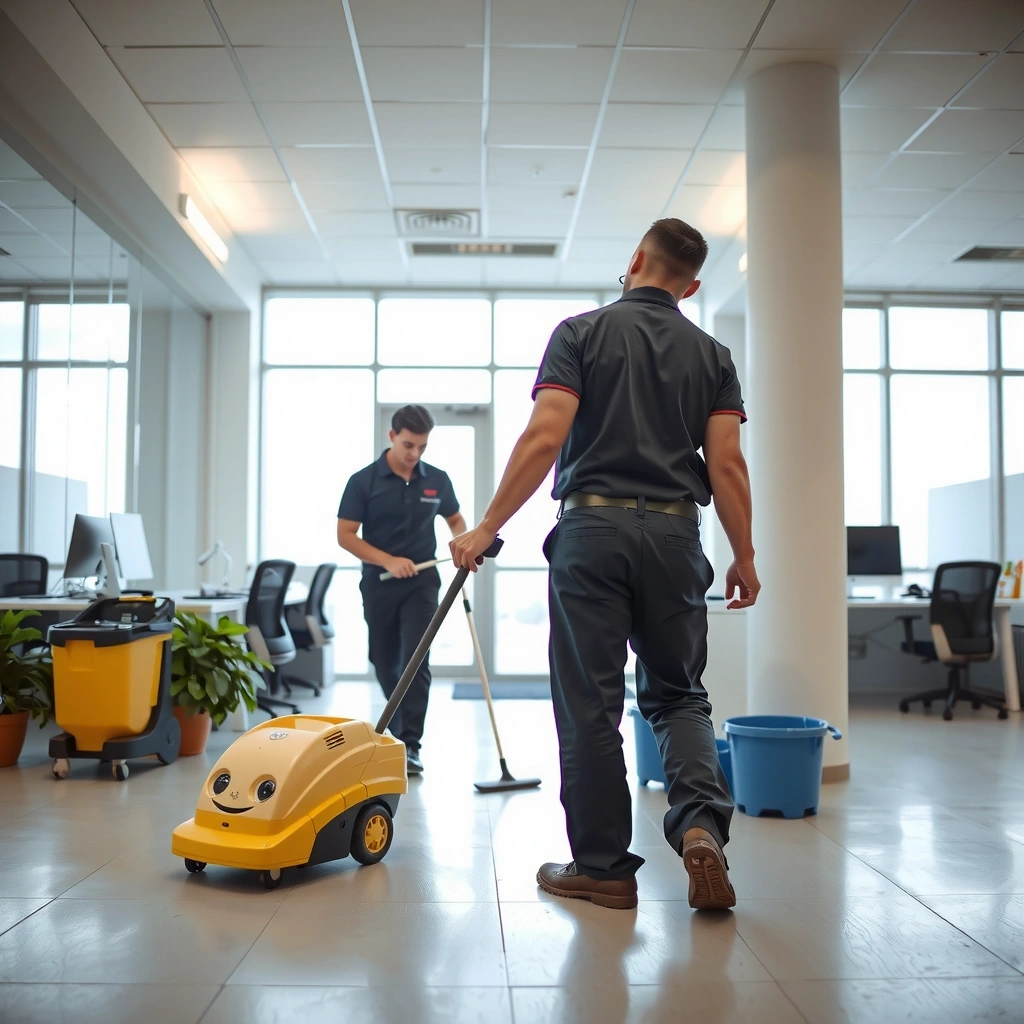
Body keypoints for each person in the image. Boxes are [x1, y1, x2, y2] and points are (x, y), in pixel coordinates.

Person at [451, 218, 759, 911]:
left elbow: (545, 433)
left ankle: (603, 869)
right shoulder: (713, 355)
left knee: (592, 704)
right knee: (679, 694)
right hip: (680, 534)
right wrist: (743, 555)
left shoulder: (580, 334)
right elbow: (728, 464)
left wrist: (487, 526)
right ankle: (702, 825)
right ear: (693, 285)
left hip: (593, 529)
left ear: (636, 260)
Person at [338, 404, 465, 774]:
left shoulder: (437, 479)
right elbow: (345, 535)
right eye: (409, 445)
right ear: (392, 437)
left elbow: (455, 518)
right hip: (379, 583)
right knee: (383, 658)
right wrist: (388, 560)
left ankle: (410, 744)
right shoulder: (363, 481)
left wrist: (464, 543)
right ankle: (396, 731)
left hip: (423, 584)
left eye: (422, 447)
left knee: (416, 658)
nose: (415, 454)